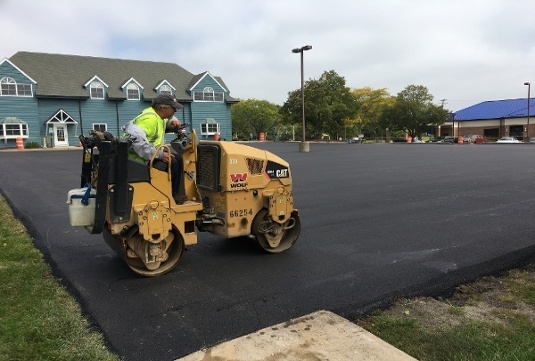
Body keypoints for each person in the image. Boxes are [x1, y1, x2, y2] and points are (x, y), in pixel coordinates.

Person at [122, 94, 185, 203]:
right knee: (173, 161)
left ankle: (174, 193)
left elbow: (166, 121)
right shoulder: (150, 119)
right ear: (164, 108)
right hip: (137, 159)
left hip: (146, 153)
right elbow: (135, 142)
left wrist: (172, 122)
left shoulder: (158, 116)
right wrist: (159, 155)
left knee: (178, 158)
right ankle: (173, 195)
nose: (175, 111)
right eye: (173, 109)